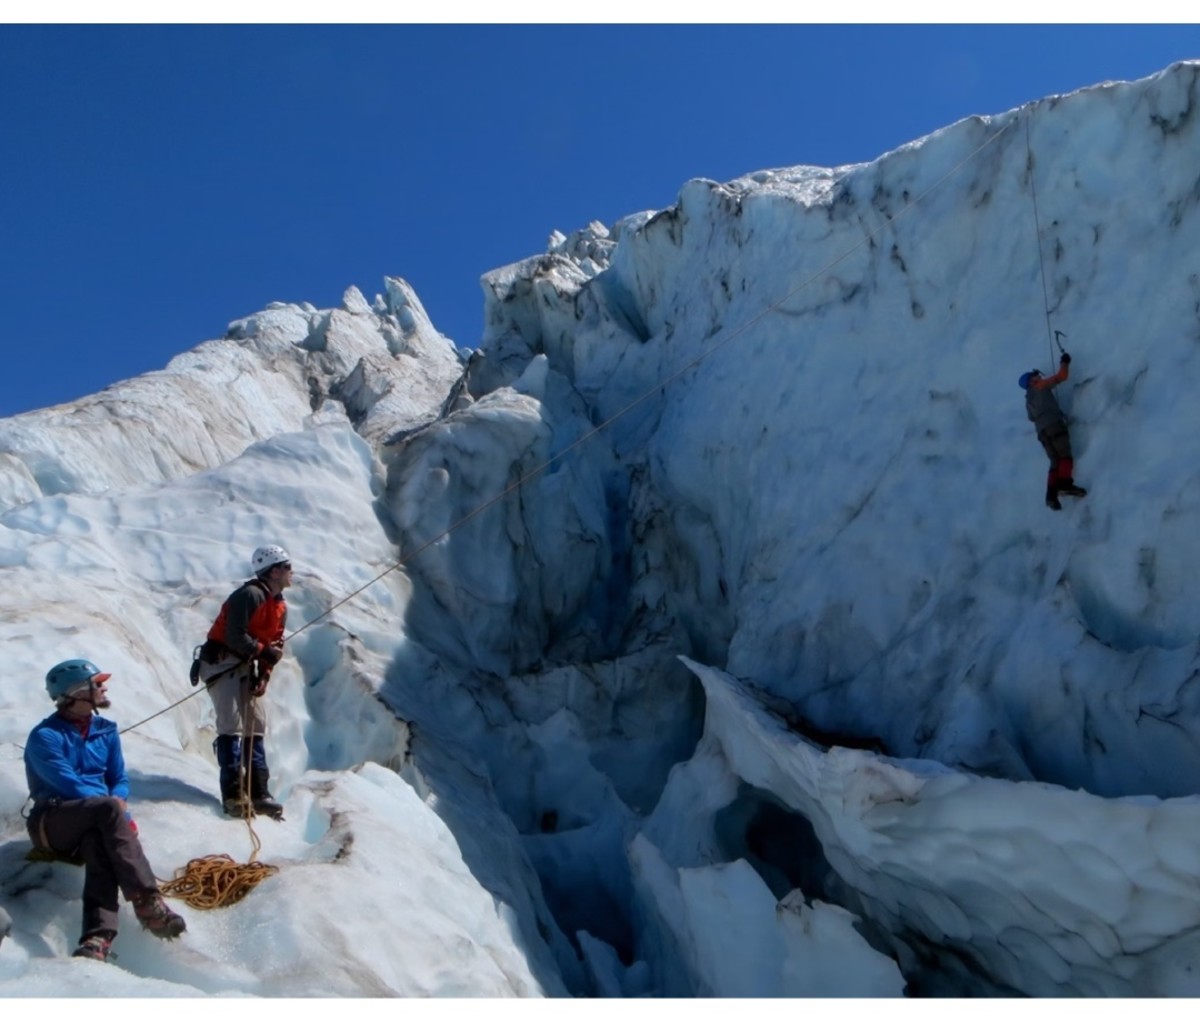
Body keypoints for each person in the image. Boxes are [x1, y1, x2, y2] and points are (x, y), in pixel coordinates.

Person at [23, 659, 186, 963]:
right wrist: (118, 811)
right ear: (75, 692)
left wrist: (118, 801)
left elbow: (118, 779)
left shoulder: (106, 731)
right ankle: (147, 900)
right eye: (96, 683)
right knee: (105, 810)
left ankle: (97, 938)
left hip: (94, 820)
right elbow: (69, 786)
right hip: (53, 822)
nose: (103, 687)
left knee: (97, 843)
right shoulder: (45, 737)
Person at [196, 545, 292, 820]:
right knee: (231, 725)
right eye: (287, 567)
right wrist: (263, 653)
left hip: (245, 666)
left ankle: (259, 792)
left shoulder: (279, 605)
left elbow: (274, 643)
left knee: (255, 725)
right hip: (222, 664)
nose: (290, 573)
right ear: (274, 571)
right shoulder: (249, 595)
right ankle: (234, 795)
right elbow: (234, 635)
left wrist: (264, 673)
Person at [1019, 351, 1088, 511]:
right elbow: (1061, 377)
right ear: (1031, 381)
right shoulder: (1040, 386)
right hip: (1054, 425)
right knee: (1064, 455)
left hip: (1042, 432)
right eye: (1035, 376)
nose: (1039, 377)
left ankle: (1051, 495)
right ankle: (1065, 484)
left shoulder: (1028, 400)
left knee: (1054, 461)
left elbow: (1031, 418)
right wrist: (1065, 362)